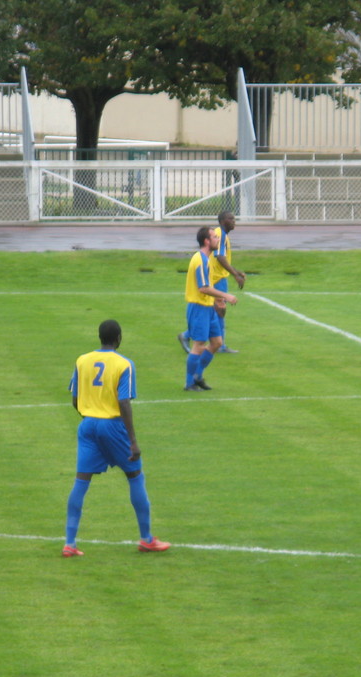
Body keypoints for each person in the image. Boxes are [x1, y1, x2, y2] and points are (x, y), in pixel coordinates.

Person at [64, 319, 170, 557]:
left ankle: (69, 543)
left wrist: (89, 416)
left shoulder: (82, 360)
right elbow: (123, 401)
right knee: (134, 475)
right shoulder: (124, 364)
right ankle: (146, 539)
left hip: (87, 424)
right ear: (119, 338)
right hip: (112, 425)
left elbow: (74, 399)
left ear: (99, 337)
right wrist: (132, 440)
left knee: (81, 481)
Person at [178, 211, 245, 353]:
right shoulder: (219, 235)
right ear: (222, 221)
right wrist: (234, 274)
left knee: (215, 312)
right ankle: (218, 344)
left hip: (218, 277)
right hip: (217, 279)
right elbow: (220, 256)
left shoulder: (222, 235)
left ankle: (196, 338)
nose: (234, 221)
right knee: (218, 311)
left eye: (234, 218)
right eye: (230, 219)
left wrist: (235, 271)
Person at [183, 226, 238, 391]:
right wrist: (226, 296)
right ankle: (189, 383)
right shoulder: (200, 261)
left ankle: (197, 375)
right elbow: (203, 288)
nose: (217, 239)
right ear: (206, 241)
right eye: (214, 237)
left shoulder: (206, 259)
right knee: (199, 344)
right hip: (199, 308)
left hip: (208, 307)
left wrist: (217, 300)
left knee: (216, 342)